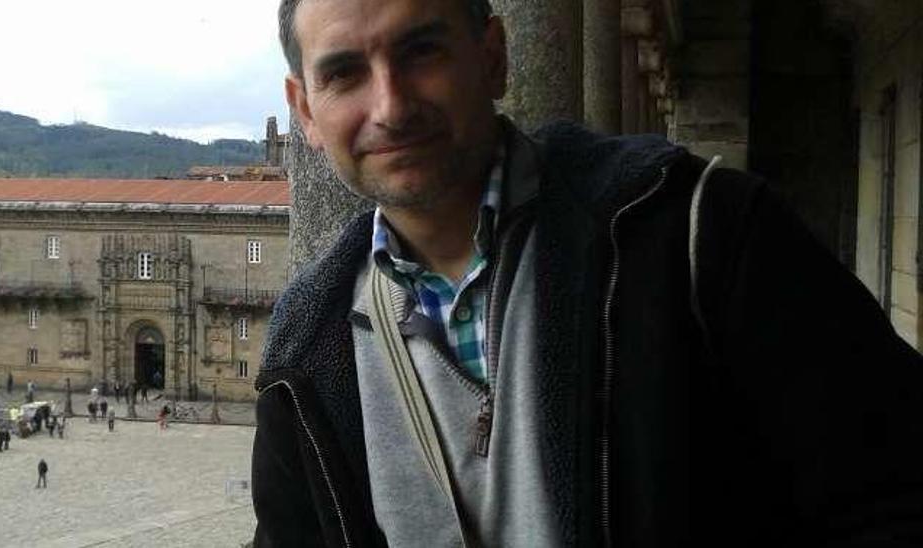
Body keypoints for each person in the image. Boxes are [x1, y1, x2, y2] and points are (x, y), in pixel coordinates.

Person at [252, 0, 923, 546]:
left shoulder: (692, 230)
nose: (391, 106)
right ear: (305, 110)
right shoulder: (307, 346)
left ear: (492, 56)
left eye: (422, 50)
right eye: (344, 73)